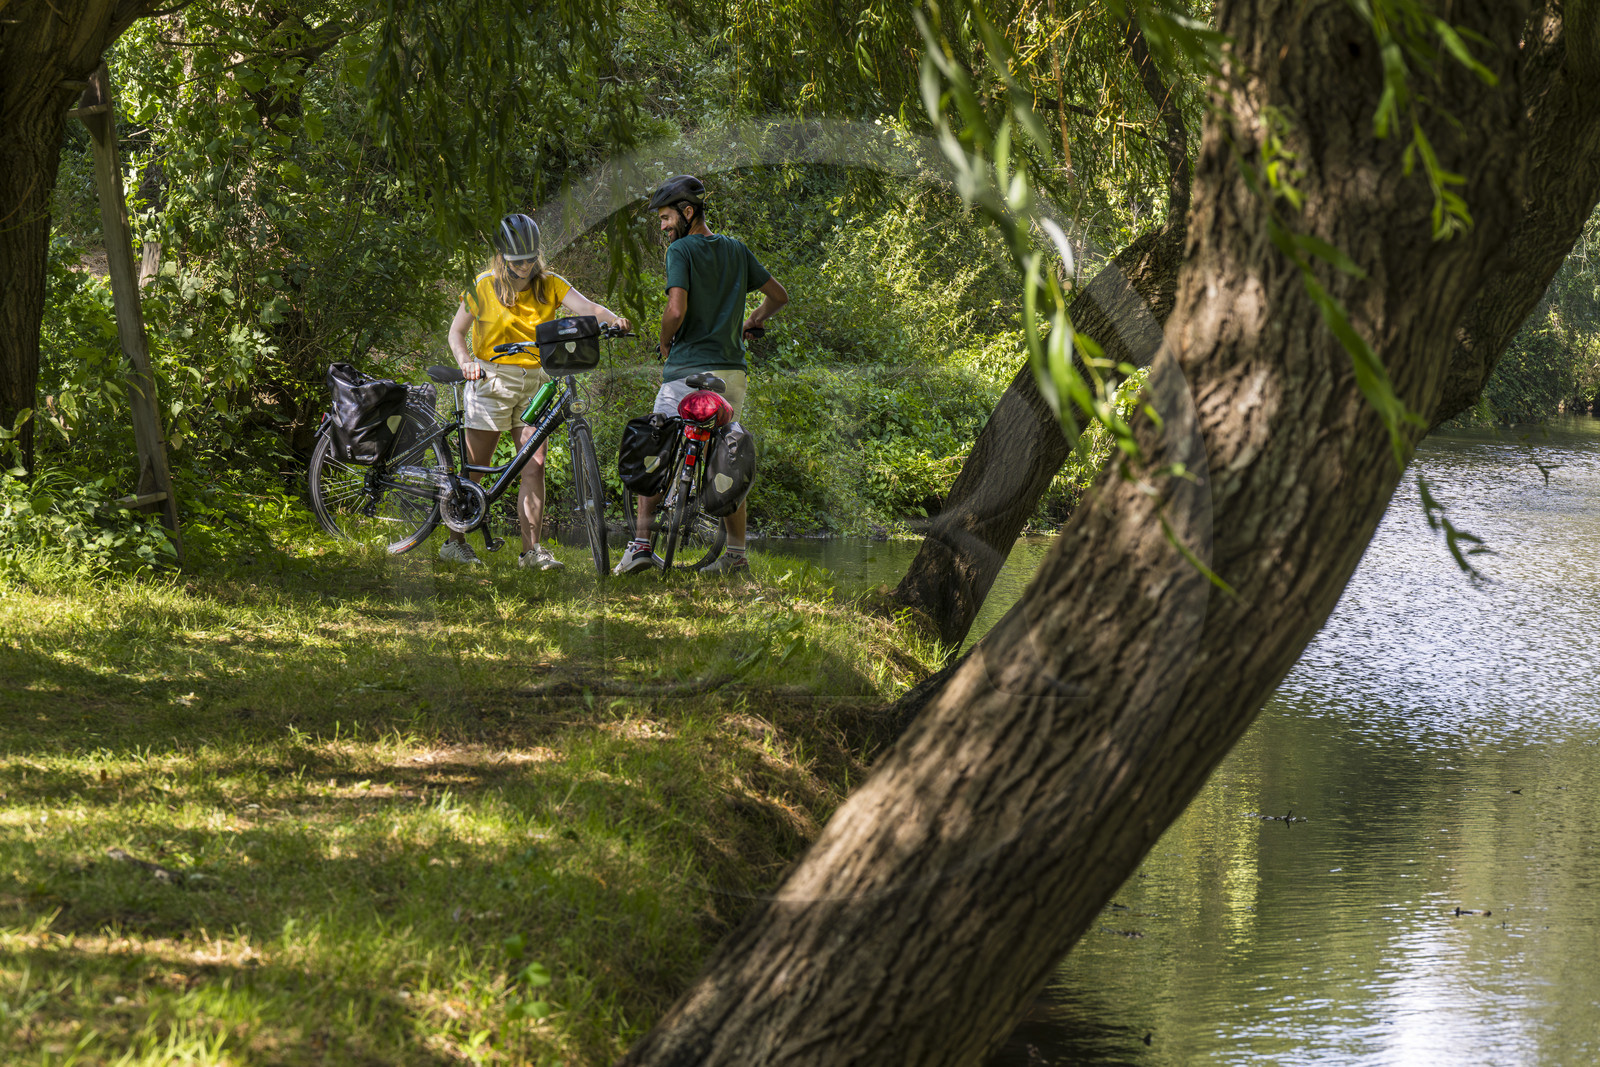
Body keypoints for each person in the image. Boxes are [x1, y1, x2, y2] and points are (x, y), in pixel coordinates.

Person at [614, 175, 789, 576]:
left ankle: (641, 545)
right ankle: (736, 557)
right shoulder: (736, 250)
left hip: (687, 371)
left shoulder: (682, 251)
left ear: (687, 212)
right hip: (731, 373)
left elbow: (676, 310)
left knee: (655, 447)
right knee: (726, 456)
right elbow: (778, 296)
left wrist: (663, 343)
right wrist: (752, 320)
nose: (662, 226)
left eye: (665, 217)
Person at [440, 213, 630, 568]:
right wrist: (466, 360)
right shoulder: (483, 285)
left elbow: (588, 308)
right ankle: (455, 542)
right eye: (516, 261)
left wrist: (613, 319)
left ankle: (531, 552)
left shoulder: (550, 283)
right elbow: (455, 333)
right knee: (477, 467)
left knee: (534, 465)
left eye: (530, 259)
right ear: (502, 257)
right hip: (490, 378)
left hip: (536, 381)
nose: (525, 267)